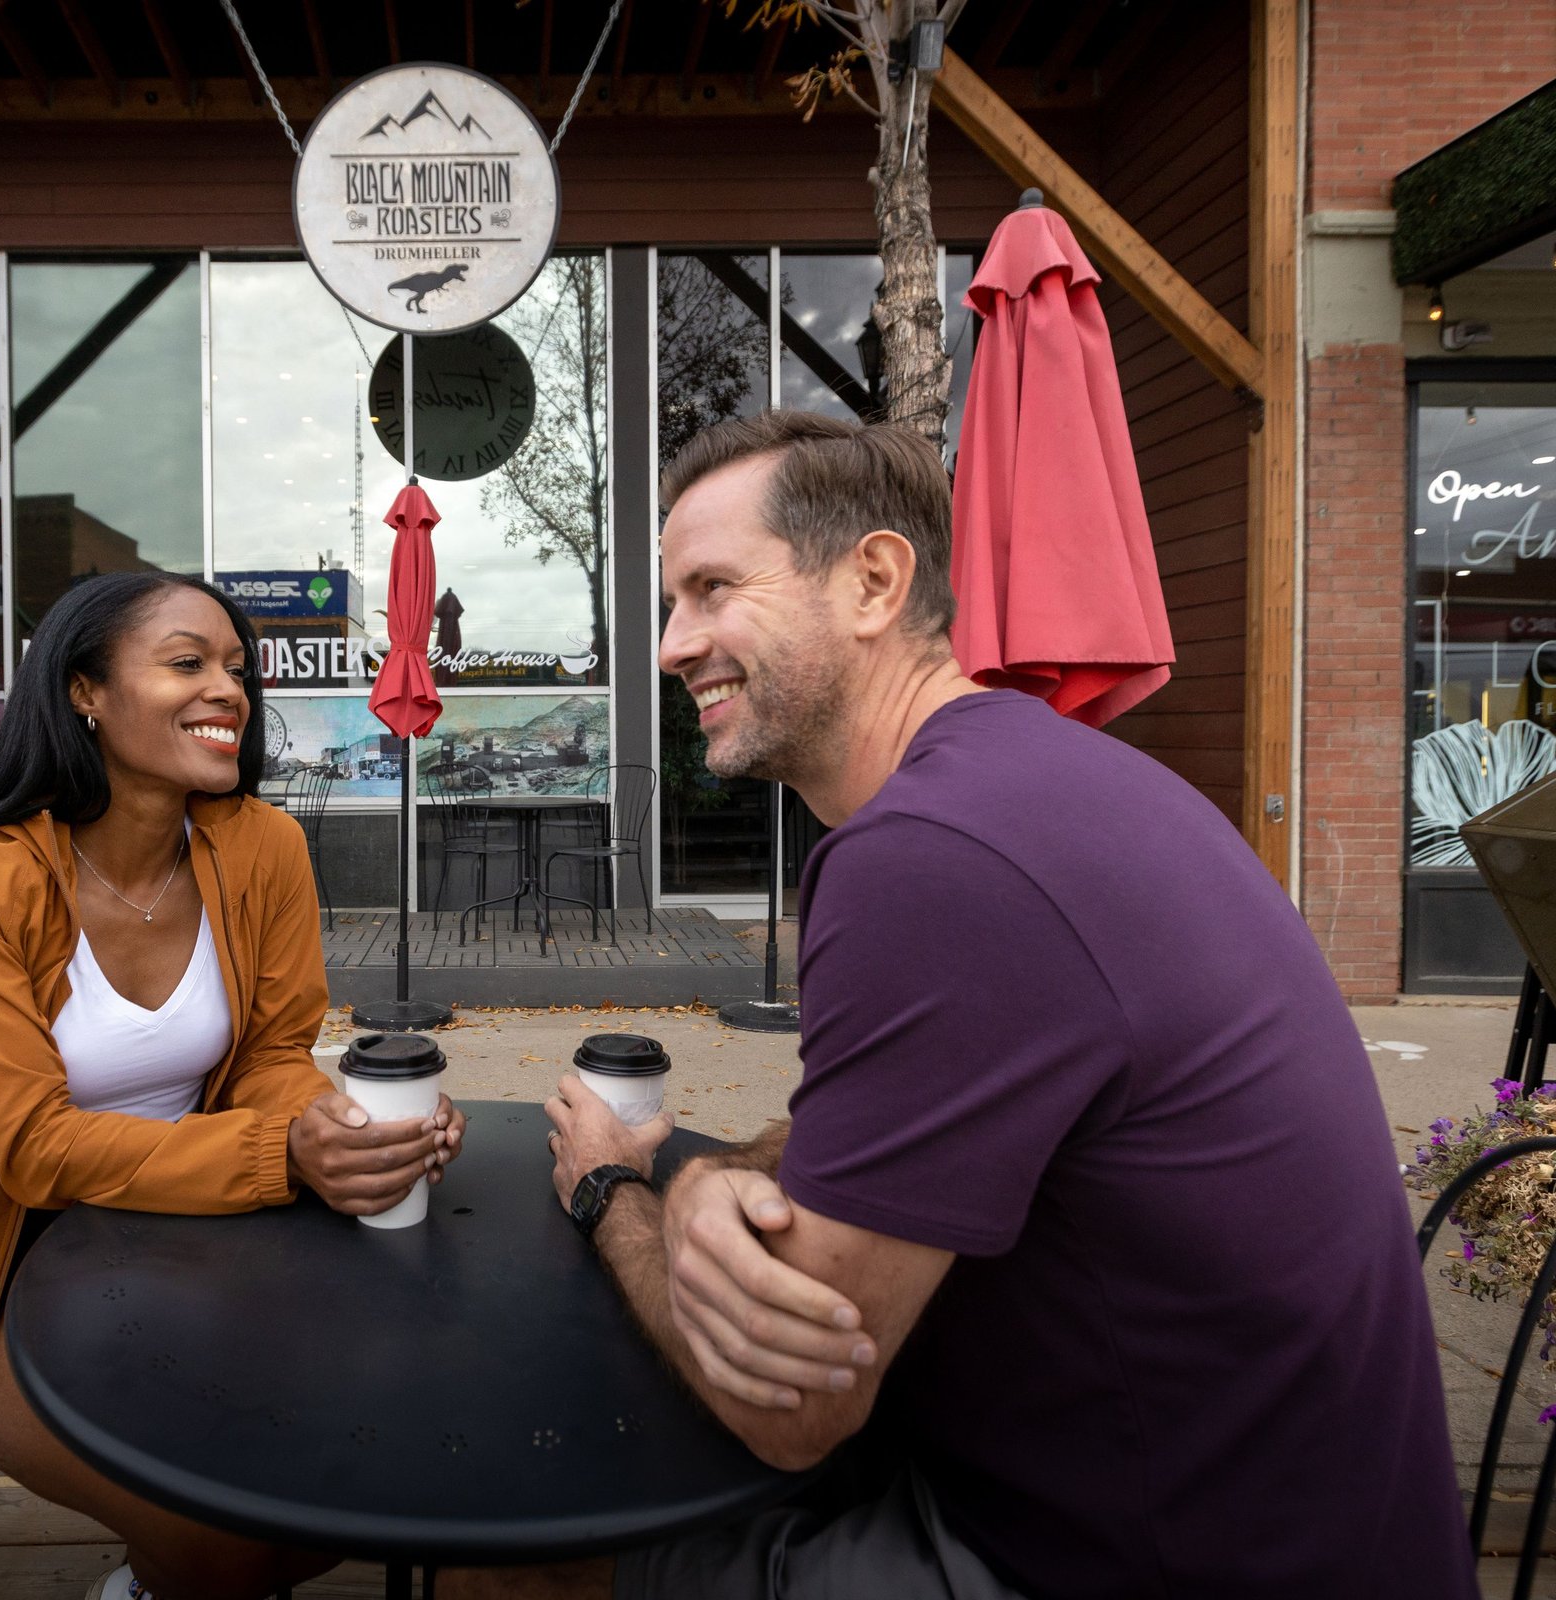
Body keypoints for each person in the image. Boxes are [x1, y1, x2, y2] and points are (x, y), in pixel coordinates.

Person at [459, 412, 1472, 1600]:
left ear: (875, 581)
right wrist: (740, 1165)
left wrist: (626, 1192)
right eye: (671, 603)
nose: (674, 644)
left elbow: (787, 1408)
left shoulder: (930, 860)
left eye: (713, 588)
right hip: (1280, 1521)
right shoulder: (1048, 783)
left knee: (514, 1559)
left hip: (1135, 1557)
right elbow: (929, 1126)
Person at [0, 572, 468, 1600]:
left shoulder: (264, 846)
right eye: (187, 662)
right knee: (221, 1541)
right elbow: (34, 1146)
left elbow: (269, 1055)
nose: (228, 689)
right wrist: (284, 1156)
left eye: (235, 668)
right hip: (1, 1271)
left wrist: (349, 1128)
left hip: (202, 1238)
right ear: (86, 689)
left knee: (357, 1476)